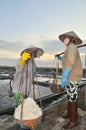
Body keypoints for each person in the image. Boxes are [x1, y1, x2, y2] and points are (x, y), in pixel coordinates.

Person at [56, 31, 83, 129]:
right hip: (71, 77)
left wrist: (65, 75)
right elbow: (67, 60)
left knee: (72, 99)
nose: (64, 40)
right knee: (70, 97)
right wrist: (61, 59)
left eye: (65, 38)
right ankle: (70, 114)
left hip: (72, 77)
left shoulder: (71, 47)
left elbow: (70, 62)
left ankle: (74, 120)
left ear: (70, 39)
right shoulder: (69, 48)